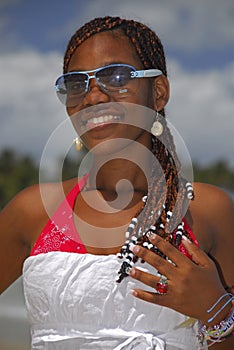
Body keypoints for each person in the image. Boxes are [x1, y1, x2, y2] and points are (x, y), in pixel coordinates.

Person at [0, 16, 233, 350]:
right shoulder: (34, 210)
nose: (94, 97)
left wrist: (215, 308)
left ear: (159, 92)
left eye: (116, 76)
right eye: (77, 83)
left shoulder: (207, 212)